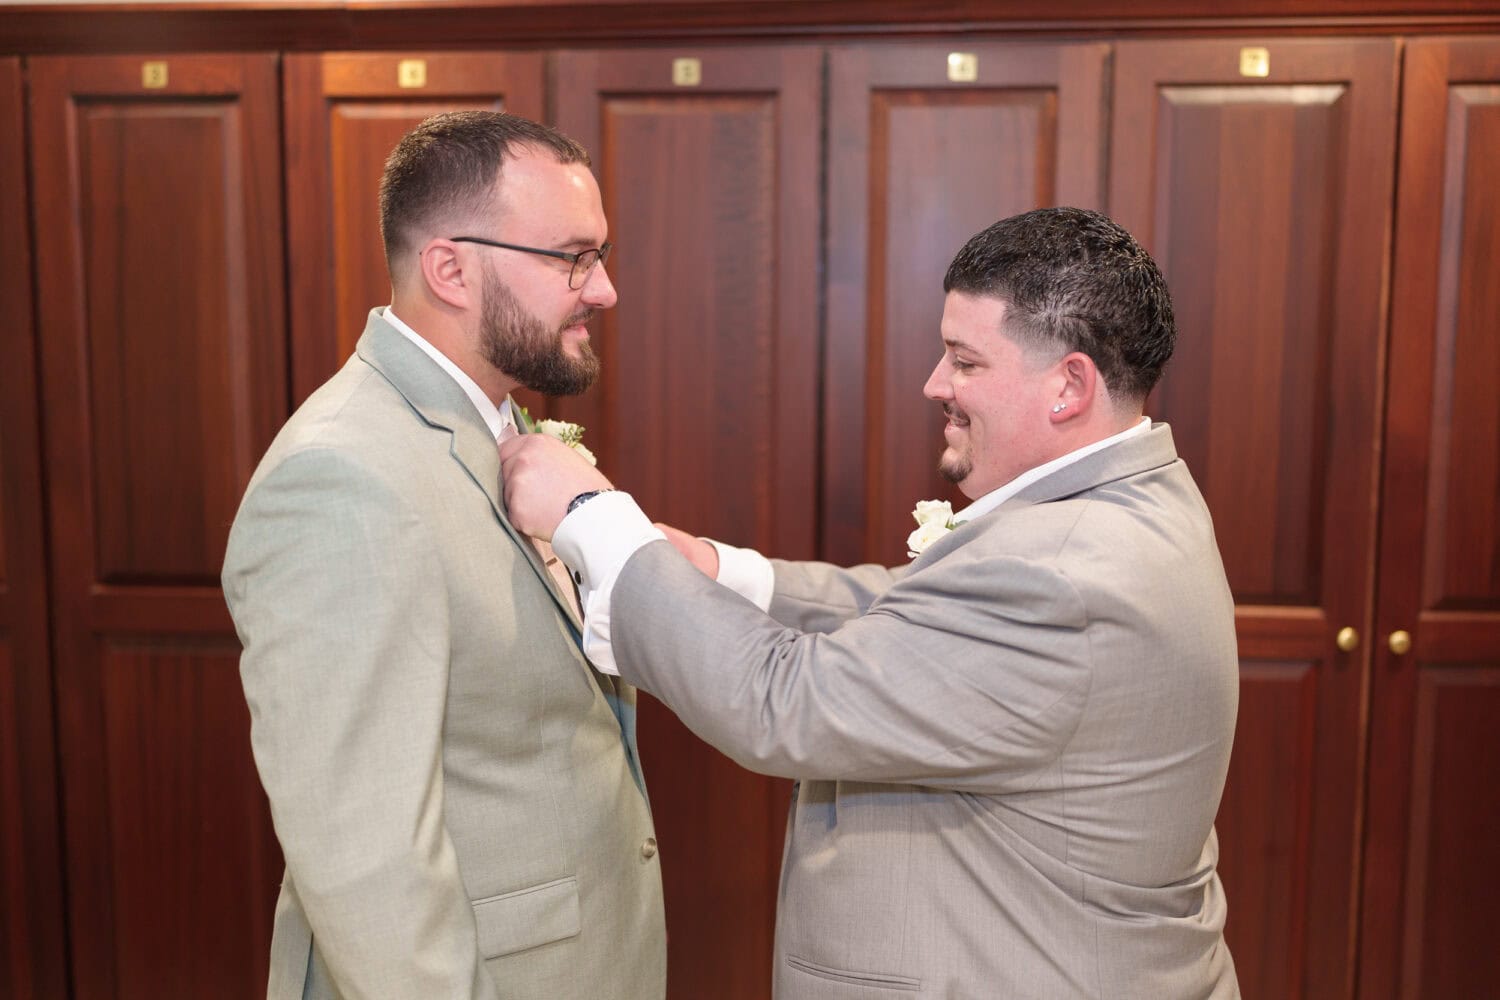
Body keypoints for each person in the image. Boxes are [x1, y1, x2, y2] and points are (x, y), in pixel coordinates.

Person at [501, 207, 1241, 998]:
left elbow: (784, 701)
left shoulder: (1061, 575)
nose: (935, 384)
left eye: (965, 361)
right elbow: (924, 612)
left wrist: (591, 517)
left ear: (1068, 384)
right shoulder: (1131, 502)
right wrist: (721, 571)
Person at [222, 111, 665, 1000]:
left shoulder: (498, 425)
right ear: (451, 269)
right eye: (573, 258)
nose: (605, 289)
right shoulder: (341, 478)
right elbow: (364, 851)